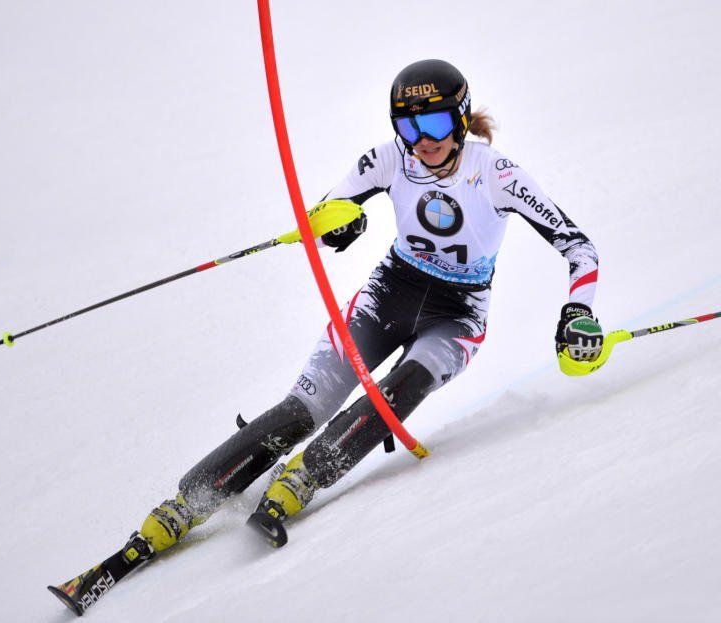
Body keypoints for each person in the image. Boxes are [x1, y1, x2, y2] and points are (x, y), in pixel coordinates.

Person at [136, 59, 603, 554]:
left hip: (457, 314)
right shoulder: (388, 158)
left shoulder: (496, 173)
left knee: (404, 385)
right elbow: (323, 216)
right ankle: (188, 501)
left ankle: (304, 477)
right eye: (409, 126)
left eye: (436, 123)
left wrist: (578, 311)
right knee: (305, 409)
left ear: (461, 119)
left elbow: (579, 248)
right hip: (390, 292)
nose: (423, 141)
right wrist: (340, 224)